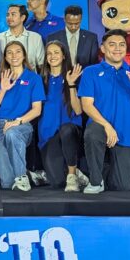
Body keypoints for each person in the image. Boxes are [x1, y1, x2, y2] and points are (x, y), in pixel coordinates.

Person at [79, 29, 130, 193]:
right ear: (103, 48)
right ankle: (96, 181)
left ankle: (103, 170)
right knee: (92, 133)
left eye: (122, 45)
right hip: (100, 127)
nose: (117, 48)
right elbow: (87, 105)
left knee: (123, 186)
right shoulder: (91, 72)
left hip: (126, 135)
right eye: (112, 44)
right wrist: (107, 126)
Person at [0, 41, 45, 191]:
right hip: (0, 126)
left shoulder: (34, 78)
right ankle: (29, 175)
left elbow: (37, 110)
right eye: (9, 52)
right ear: (5, 57)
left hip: (22, 125)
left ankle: (22, 177)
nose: (13, 55)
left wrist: (17, 121)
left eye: (18, 52)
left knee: (12, 133)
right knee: (7, 184)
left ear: (24, 56)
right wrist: (3, 89)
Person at [38, 41, 86, 191]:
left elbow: (78, 110)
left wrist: (71, 85)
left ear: (64, 55)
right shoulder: (40, 80)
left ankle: (72, 175)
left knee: (66, 129)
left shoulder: (74, 77)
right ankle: (76, 172)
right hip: (48, 135)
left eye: (56, 52)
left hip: (70, 131)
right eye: (49, 53)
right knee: (57, 182)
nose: (52, 56)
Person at [0, 4, 45, 71]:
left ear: (22, 18)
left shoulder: (36, 38)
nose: (9, 17)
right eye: (7, 15)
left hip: (30, 77)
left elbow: (41, 65)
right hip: (4, 77)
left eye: (13, 14)